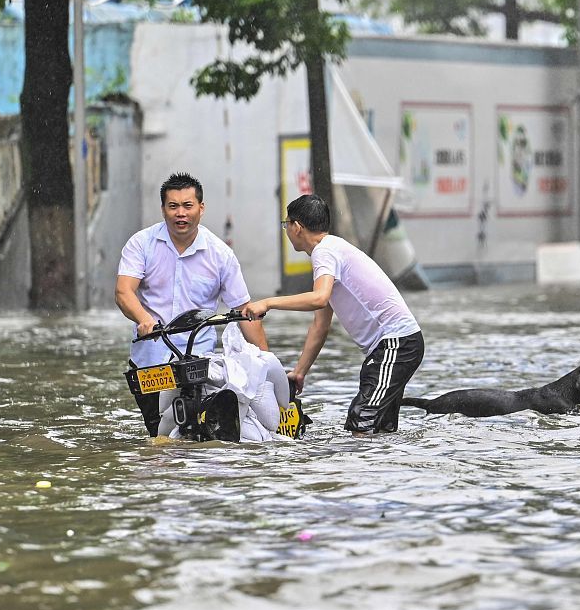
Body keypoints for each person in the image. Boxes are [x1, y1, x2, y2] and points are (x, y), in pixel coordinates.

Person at [242, 195, 423, 436]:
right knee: (380, 429)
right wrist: (300, 371)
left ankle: (357, 471)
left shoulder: (324, 251)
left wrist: (268, 302)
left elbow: (319, 298)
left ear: (297, 227)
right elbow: (320, 325)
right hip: (394, 346)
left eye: (286, 224)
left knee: (362, 420)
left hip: (396, 344)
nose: (286, 230)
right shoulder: (333, 251)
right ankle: (383, 470)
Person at [115, 172, 269, 436]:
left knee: (200, 434)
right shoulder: (141, 244)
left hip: (199, 364)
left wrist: (265, 363)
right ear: (163, 209)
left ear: (201, 208)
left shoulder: (220, 254)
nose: (180, 213)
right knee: (159, 438)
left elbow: (245, 313)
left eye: (188, 206)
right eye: (173, 206)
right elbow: (123, 292)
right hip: (150, 363)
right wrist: (144, 319)